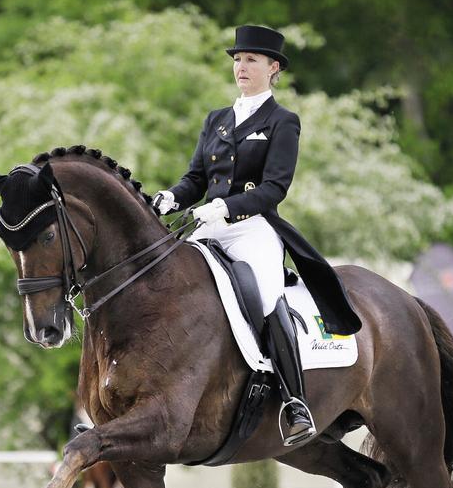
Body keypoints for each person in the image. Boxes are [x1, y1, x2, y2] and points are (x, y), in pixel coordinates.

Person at [152, 25, 360, 447]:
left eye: (250, 60)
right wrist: (170, 198)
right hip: (206, 229)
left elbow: (275, 187)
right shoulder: (217, 120)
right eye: (236, 59)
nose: (240, 67)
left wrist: (228, 206)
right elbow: (195, 178)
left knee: (266, 295)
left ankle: (294, 401)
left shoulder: (283, 121)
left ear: (273, 68)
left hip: (253, 230)